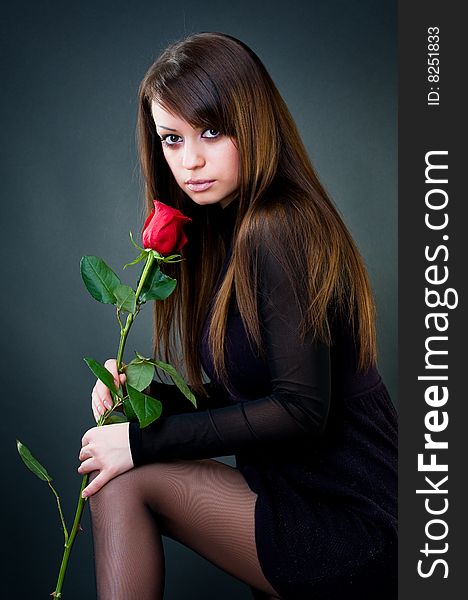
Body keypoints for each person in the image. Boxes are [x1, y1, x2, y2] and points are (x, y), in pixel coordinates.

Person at [78, 31, 398, 600]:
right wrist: (140, 407)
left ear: (252, 121)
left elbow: (302, 410)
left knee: (120, 483)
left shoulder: (279, 225)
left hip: (353, 522)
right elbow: (245, 392)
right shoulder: (229, 228)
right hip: (295, 499)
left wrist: (140, 444)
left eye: (211, 131)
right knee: (117, 474)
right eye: (171, 139)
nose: (190, 160)